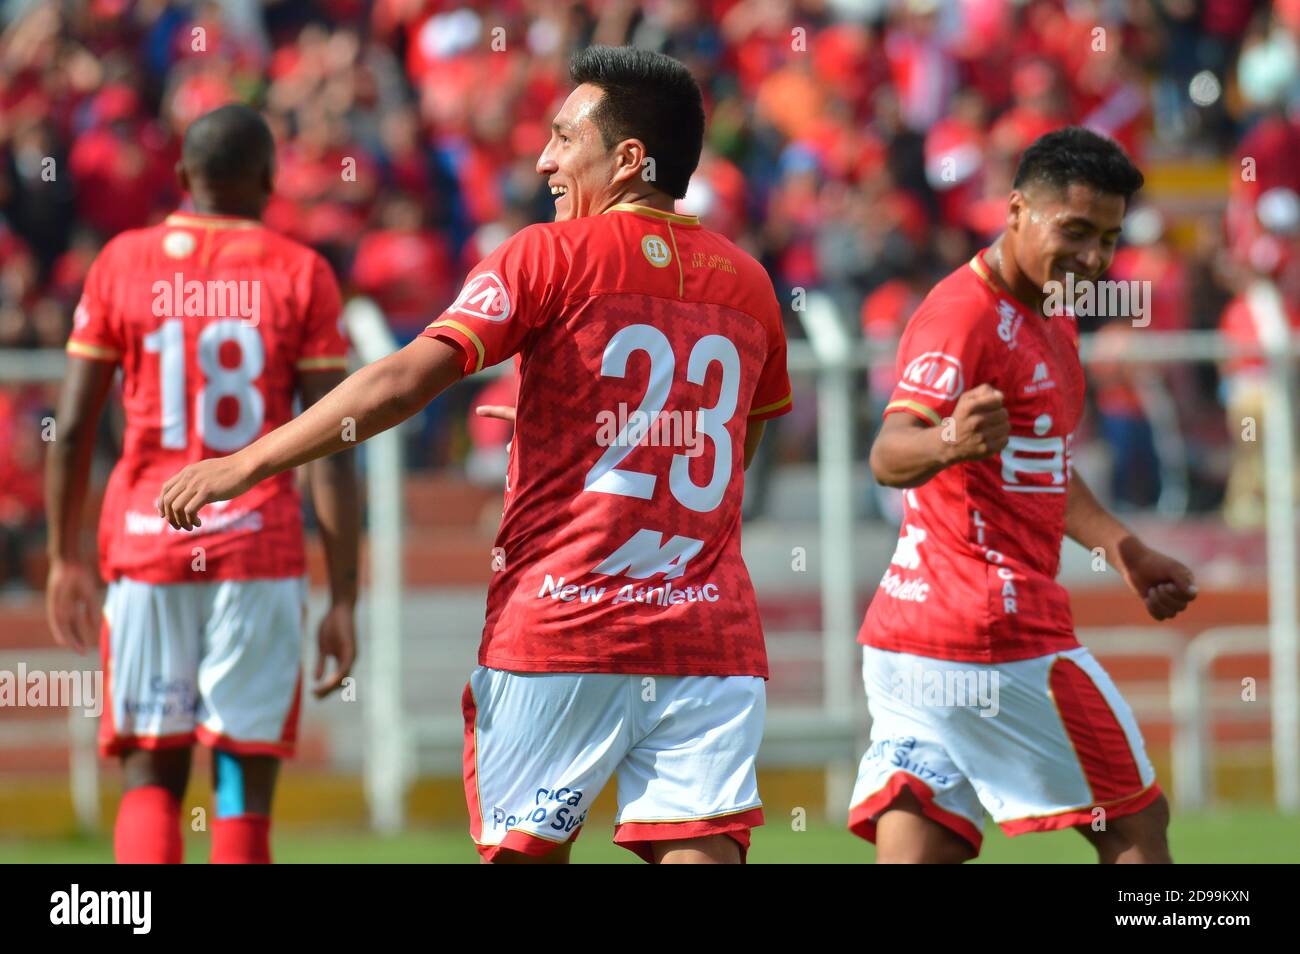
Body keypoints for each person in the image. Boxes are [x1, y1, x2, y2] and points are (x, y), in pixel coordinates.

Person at [157, 47, 793, 865]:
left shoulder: (547, 255)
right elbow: (731, 448)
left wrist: (243, 464)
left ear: (629, 159)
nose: (545, 159)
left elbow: (399, 382)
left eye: (565, 139)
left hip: (566, 625)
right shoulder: (749, 285)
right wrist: (577, 425)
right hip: (705, 635)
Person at [853, 127, 1197, 864]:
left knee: (922, 840)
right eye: (1074, 231)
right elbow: (888, 452)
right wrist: (948, 441)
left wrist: (1123, 548)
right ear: (1015, 211)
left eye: (1107, 239)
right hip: (994, 634)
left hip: (907, 640)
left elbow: (1040, 465)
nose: (1093, 258)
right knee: (1135, 823)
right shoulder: (963, 315)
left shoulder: (1053, 312)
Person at [46, 104, 360, 864]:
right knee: (243, 779)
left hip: (147, 544)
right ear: (270, 179)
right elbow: (335, 443)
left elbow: (74, 421)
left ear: (184, 178)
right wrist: (344, 594)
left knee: (152, 771)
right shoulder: (301, 270)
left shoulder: (123, 260)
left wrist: (64, 556)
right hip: (259, 552)